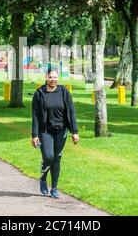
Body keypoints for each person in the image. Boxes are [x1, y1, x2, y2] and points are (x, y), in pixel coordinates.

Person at [31, 69, 79, 199]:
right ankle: (43, 178)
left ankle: (54, 188)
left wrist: (75, 131)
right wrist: (34, 135)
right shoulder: (39, 93)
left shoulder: (64, 92)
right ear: (46, 78)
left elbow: (72, 112)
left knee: (56, 158)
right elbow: (35, 115)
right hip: (45, 131)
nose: (53, 79)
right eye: (51, 77)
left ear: (58, 78)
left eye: (55, 77)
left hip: (61, 130)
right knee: (48, 156)